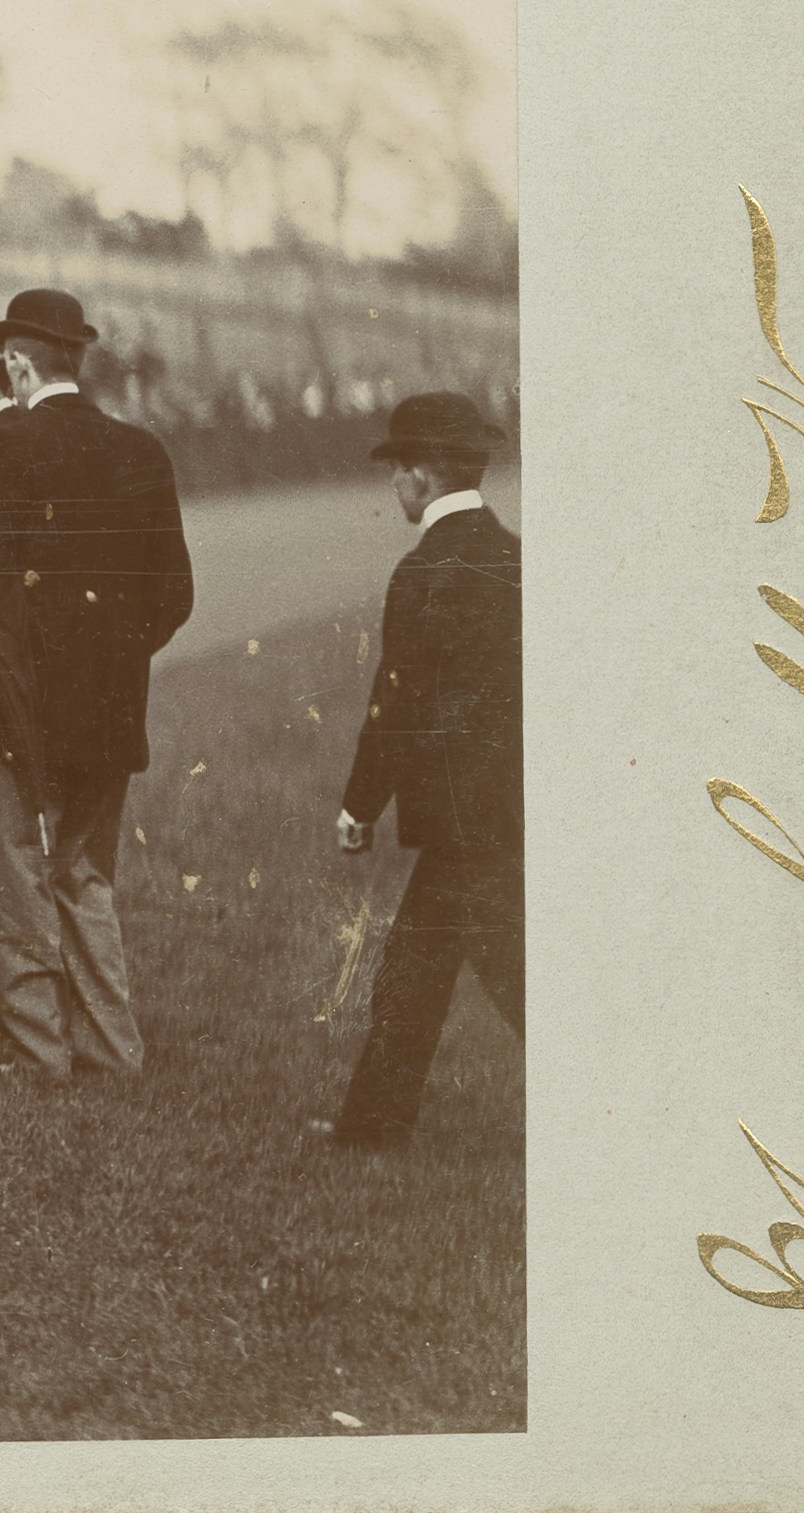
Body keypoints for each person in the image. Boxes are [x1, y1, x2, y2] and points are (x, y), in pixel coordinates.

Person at [0, 288, 195, 1087]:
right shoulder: (142, 451)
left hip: (17, 700)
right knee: (84, 873)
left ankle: (36, 1052)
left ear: (14, 360)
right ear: (75, 355)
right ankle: (113, 1047)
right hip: (109, 704)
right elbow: (172, 594)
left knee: (18, 877)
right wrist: (111, 657)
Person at [318, 393, 521, 1149]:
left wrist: (359, 805)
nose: (394, 481)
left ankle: (371, 1128)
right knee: (420, 967)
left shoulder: (424, 570)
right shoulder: (516, 558)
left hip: (460, 818)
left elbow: (395, 702)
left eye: (400, 466)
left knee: (504, 974)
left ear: (425, 475)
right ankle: (371, 1127)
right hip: (508, 806)